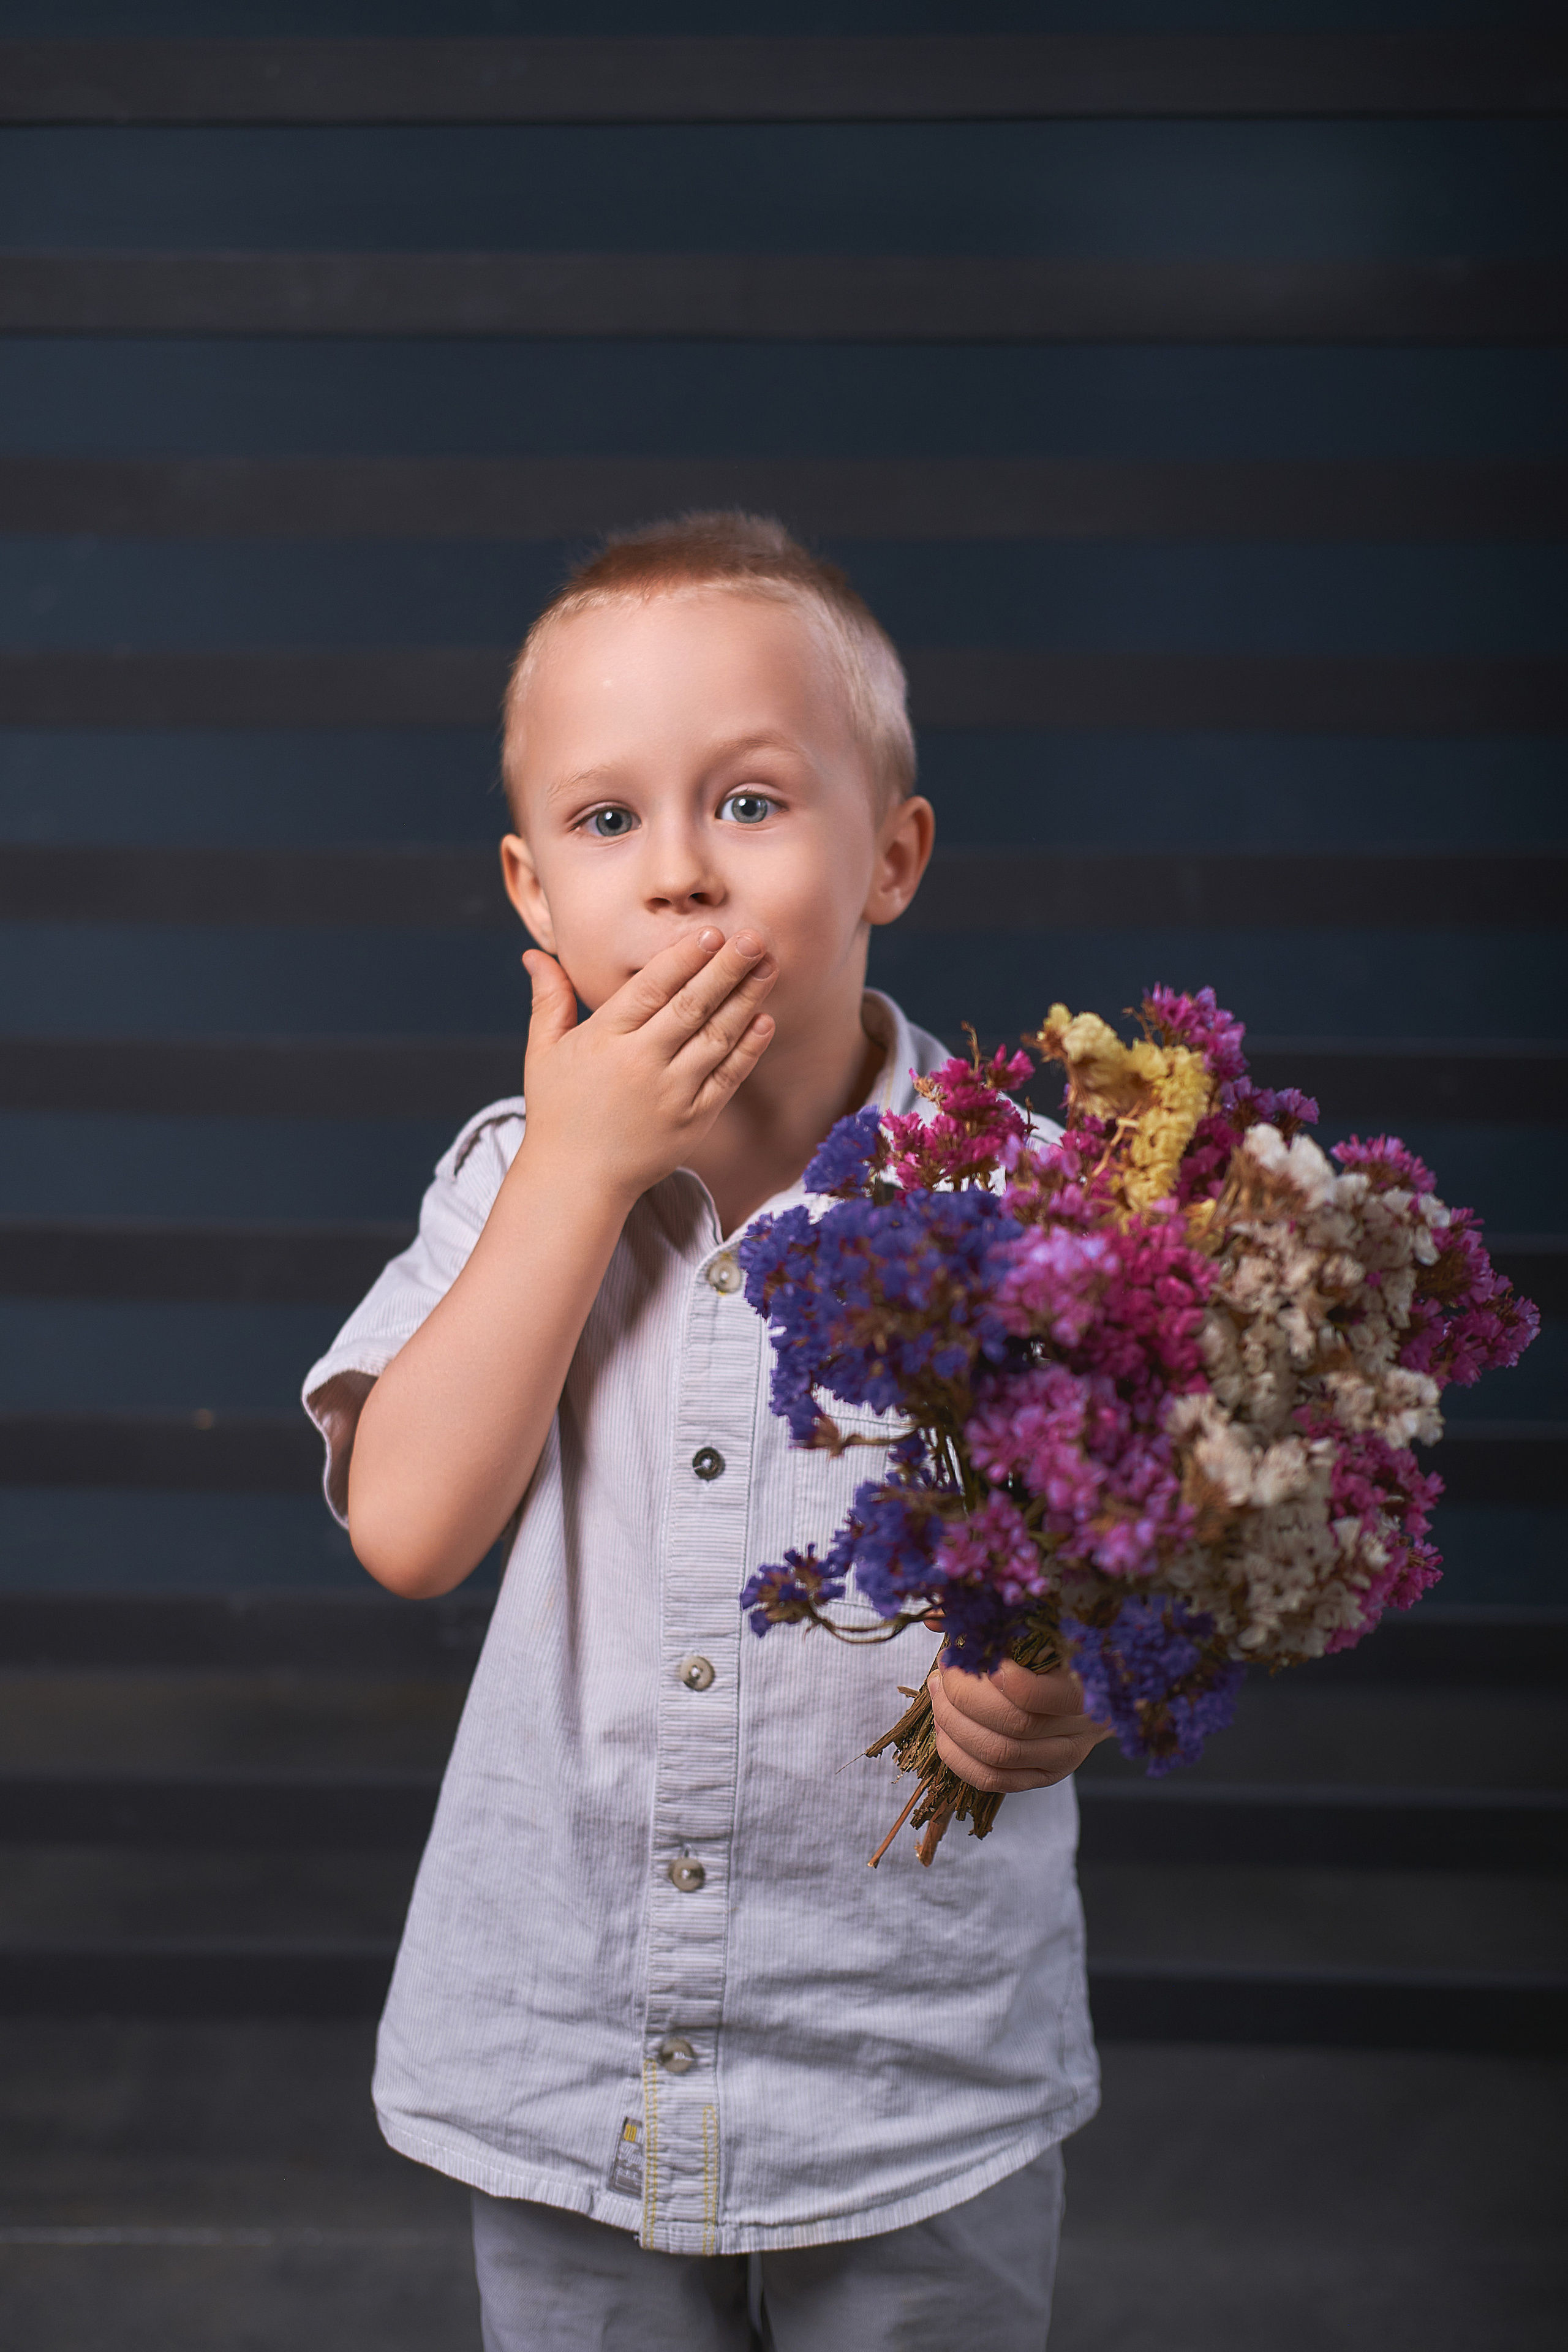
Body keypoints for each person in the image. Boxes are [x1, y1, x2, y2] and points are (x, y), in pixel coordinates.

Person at [302, 513, 1109, 2352]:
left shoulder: (1029, 1204)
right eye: (608, 821)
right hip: (572, 2048)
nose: (676, 874)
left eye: (750, 803)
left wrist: (1065, 1683)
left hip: (911, 2073)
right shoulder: (511, 1187)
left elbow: (1116, 1545)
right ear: (531, 893)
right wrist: (580, 1175)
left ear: (891, 853)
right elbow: (410, 1531)